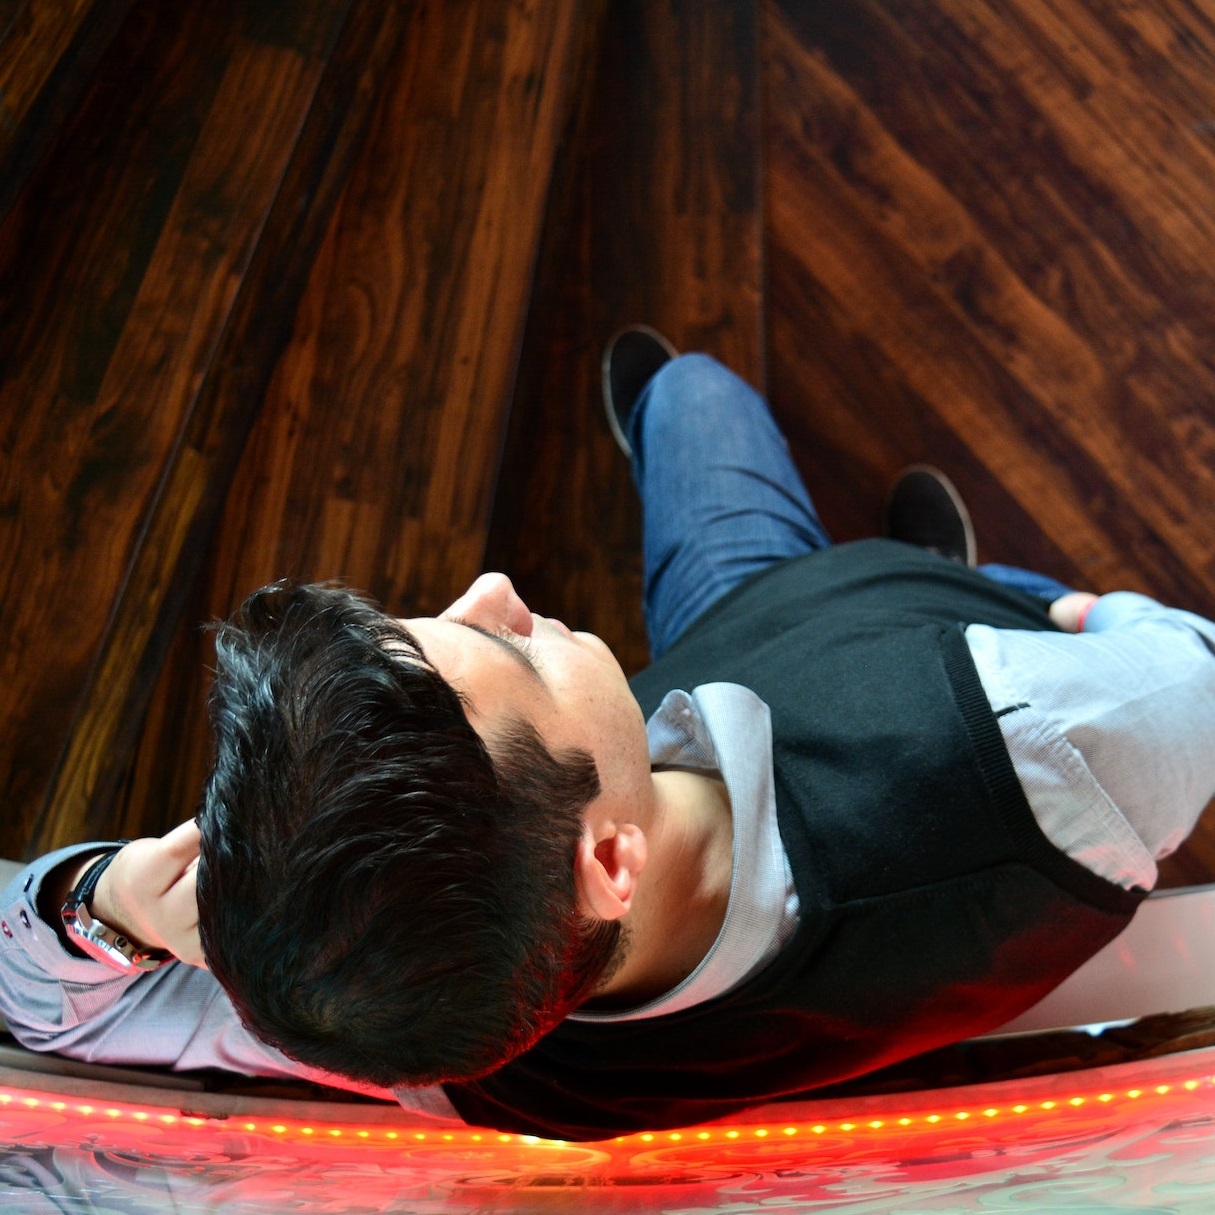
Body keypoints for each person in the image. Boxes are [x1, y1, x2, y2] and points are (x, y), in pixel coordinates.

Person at [2, 330, 1214, 1141]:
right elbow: (1191, 666)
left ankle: (906, 573)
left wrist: (105, 908)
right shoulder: (1045, 750)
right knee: (700, 398)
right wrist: (1072, 615)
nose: (491, 587)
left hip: (736, 636)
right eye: (507, 651)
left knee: (685, 395)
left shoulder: (425, 1034)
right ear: (607, 861)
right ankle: (942, 575)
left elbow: (30, 997)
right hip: (949, 656)